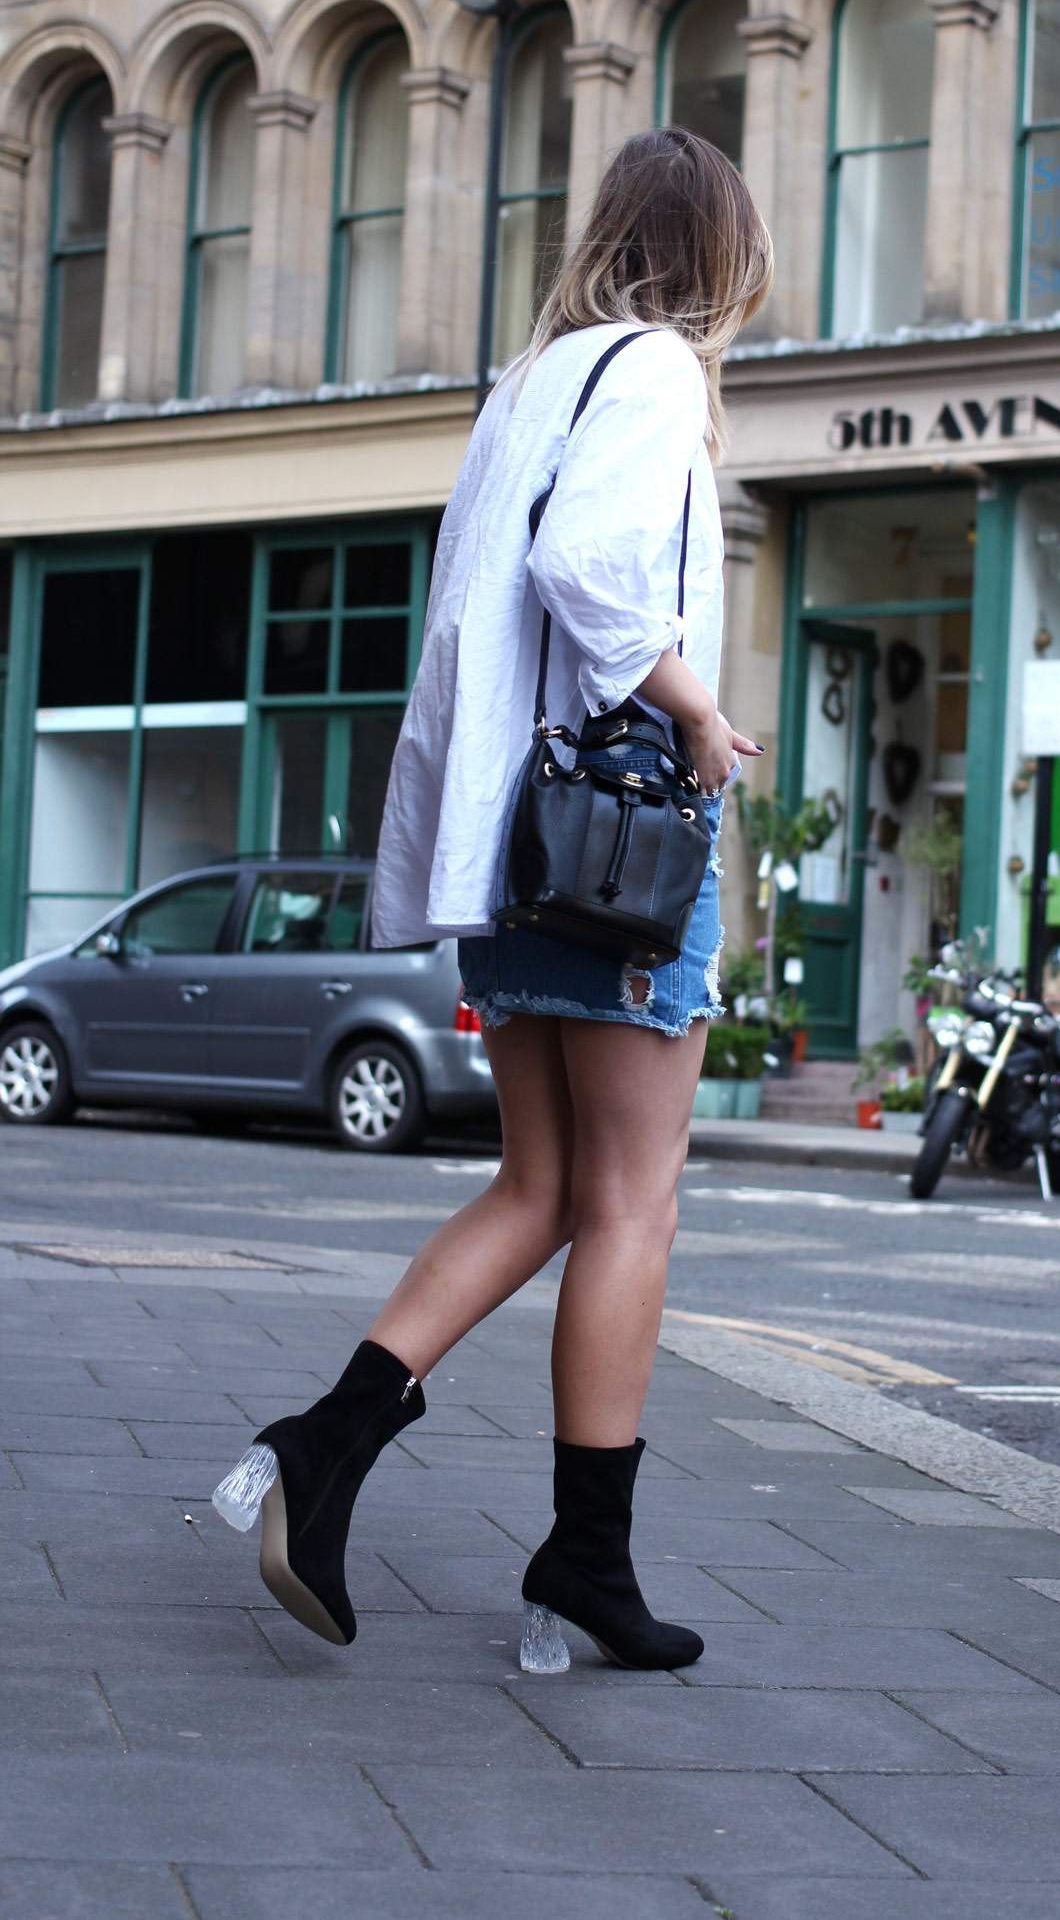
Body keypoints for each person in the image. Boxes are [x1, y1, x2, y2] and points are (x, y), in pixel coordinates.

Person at [212, 127, 773, 1675]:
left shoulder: (529, 383)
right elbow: (593, 572)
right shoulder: (655, 370)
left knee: (535, 1189)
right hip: (622, 853)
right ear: (718, 253)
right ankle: (584, 1564)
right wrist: (701, 715)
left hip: (523, 855)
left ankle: (323, 1448)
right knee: (629, 1202)